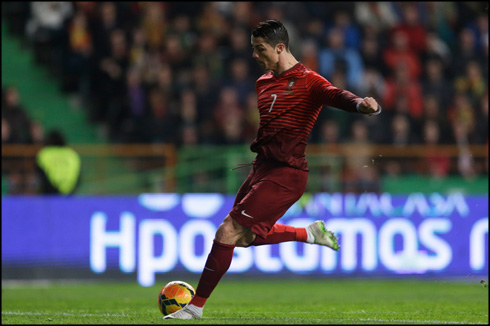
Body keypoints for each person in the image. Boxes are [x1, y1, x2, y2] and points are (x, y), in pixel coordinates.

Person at [164, 19, 381, 320]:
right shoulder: (263, 82)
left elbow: (335, 95)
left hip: (288, 173)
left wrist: (360, 105)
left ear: (280, 48)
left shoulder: (308, 80)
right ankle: (308, 233)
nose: (254, 55)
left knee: (227, 231)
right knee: (244, 237)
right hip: (261, 168)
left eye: (260, 49)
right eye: (253, 48)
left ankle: (194, 307)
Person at [35, 129, 81, 195]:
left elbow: (40, 174)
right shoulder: (72, 154)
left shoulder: (45, 153)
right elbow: (79, 175)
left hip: (50, 194)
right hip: (70, 193)